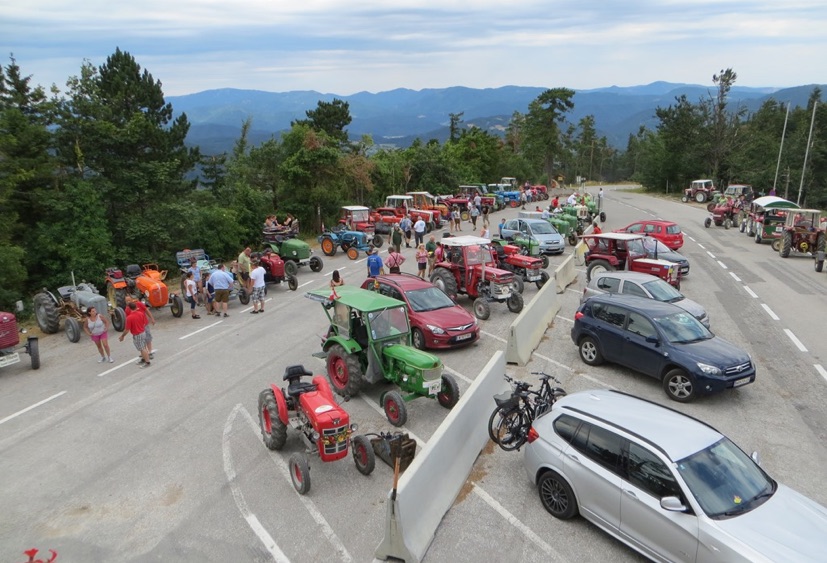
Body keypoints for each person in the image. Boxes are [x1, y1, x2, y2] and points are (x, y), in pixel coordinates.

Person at [120, 302, 151, 369]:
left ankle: (147, 362)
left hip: (137, 334)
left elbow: (127, 329)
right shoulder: (141, 313)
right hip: (142, 332)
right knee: (143, 346)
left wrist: (122, 336)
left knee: (142, 348)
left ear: (129, 308)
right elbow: (144, 323)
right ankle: (144, 359)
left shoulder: (129, 317)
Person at [124, 294, 156, 360]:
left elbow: (146, 310)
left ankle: (150, 352)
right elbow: (128, 319)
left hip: (144, 325)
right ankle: (145, 352)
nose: (128, 302)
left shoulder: (139, 304)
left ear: (132, 299)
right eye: (127, 301)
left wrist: (152, 318)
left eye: (129, 300)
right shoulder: (127, 309)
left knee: (147, 338)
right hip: (137, 327)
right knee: (141, 341)